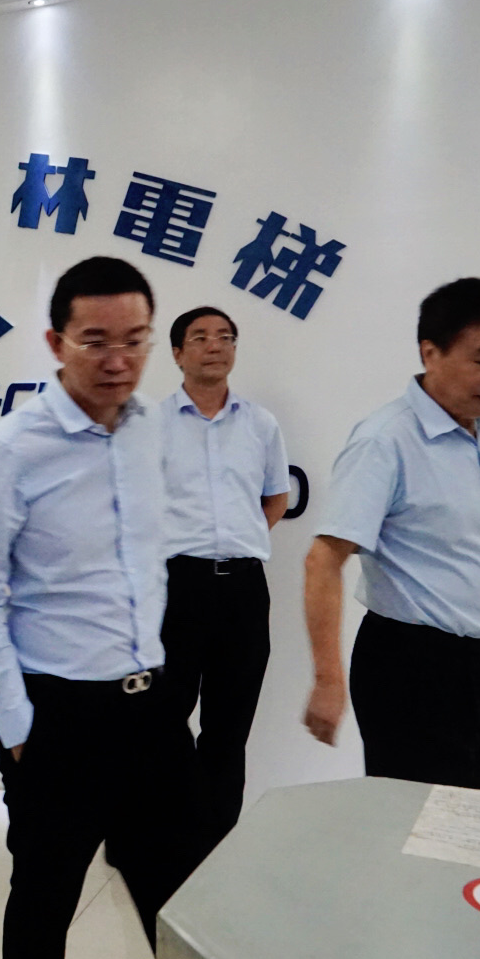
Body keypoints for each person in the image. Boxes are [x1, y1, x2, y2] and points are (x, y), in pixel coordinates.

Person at [0, 257, 203, 959]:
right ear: (56, 342)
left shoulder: (153, 428)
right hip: (60, 719)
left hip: (154, 713)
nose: (118, 360)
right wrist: (20, 727)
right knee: (44, 902)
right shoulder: (11, 450)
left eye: (135, 340)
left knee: (182, 906)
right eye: (96, 341)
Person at [303, 278, 480, 793]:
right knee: (413, 826)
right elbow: (323, 560)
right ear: (431, 353)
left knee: (479, 820)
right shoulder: (386, 441)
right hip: (414, 673)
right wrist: (327, 680)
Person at [159, 307, 290, 841]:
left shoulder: (260, 424)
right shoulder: (149, 425)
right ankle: (168, 835)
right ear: (177, 353)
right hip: (175, 587)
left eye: (225, 337)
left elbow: (276, 497)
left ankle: (215, 838)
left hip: (242, 589)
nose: (215, 345)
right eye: (200, 337)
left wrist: (240, 539)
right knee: (164, 720)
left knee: (229, 726)